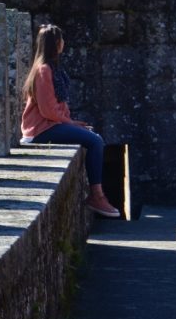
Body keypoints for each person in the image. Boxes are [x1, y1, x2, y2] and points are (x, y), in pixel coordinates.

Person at [20, 24, 120, 218]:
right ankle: (97, 196)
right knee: (95, 141)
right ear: (56, 43)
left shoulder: (51, 69)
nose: (64, 43)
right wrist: (71, 123)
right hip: (41, 130)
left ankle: (97, 195)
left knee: (92, 136)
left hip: (50, 125)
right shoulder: (43, 71)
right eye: (61, 40)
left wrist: (70, 122)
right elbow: (48, 110)